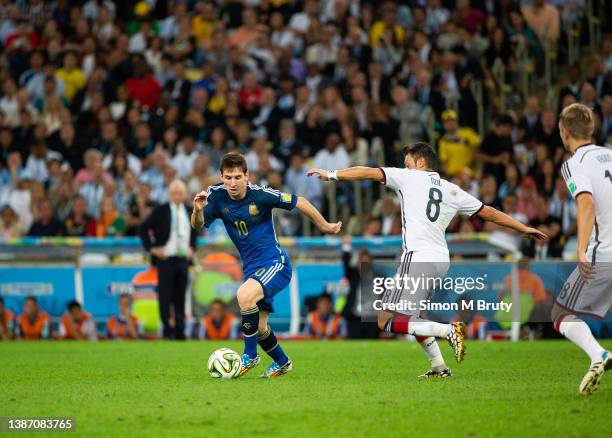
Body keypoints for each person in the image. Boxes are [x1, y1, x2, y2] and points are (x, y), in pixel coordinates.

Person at [308, 143, 546, 378]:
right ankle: (439, 367)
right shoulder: (452, 190)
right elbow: (489, 212)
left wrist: (331, 174)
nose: (405, 167)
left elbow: (368, 171)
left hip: (417, 257)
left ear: (421, 163)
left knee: (386, 319)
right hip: (441, 261)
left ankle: (448, 330)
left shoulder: (408, 178)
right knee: (415, 318)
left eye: (408, 163)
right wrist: (522, 228)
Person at [191, 152, 341, 378]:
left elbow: (299, 201)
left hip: (275, 263)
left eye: (238, 177)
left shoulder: (261, 195)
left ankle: (249, 356)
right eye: (228, 177)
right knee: (260, 328)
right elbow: (198, 225)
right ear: (221, 177)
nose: (233, 183)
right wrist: (198, 210)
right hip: (252, 269)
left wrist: (325, 225)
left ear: (247, 176)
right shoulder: (215, 196)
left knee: (243, 295)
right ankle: (282, 362)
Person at [550, 103, 612, 395]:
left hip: (605, 252)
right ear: (592, 129)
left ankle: (599, 355)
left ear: (564, 133)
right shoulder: (611, 155)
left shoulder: (574, 163)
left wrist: (581, 249)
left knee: (561, 314)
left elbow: (585, 203)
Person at [139, 180, 198, 340]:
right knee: (165, 297)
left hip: (183, 259)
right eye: (174, 193)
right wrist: (152, 248)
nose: (177, 196)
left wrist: (192, 247)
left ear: (185, 194)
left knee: (181, 297)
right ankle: (167, 330)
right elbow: (143, 228)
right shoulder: (160, 210)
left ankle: (180, 331)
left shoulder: (190, 210)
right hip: (165, 259)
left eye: (180, 193)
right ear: (169, 194)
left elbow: (194, 231)